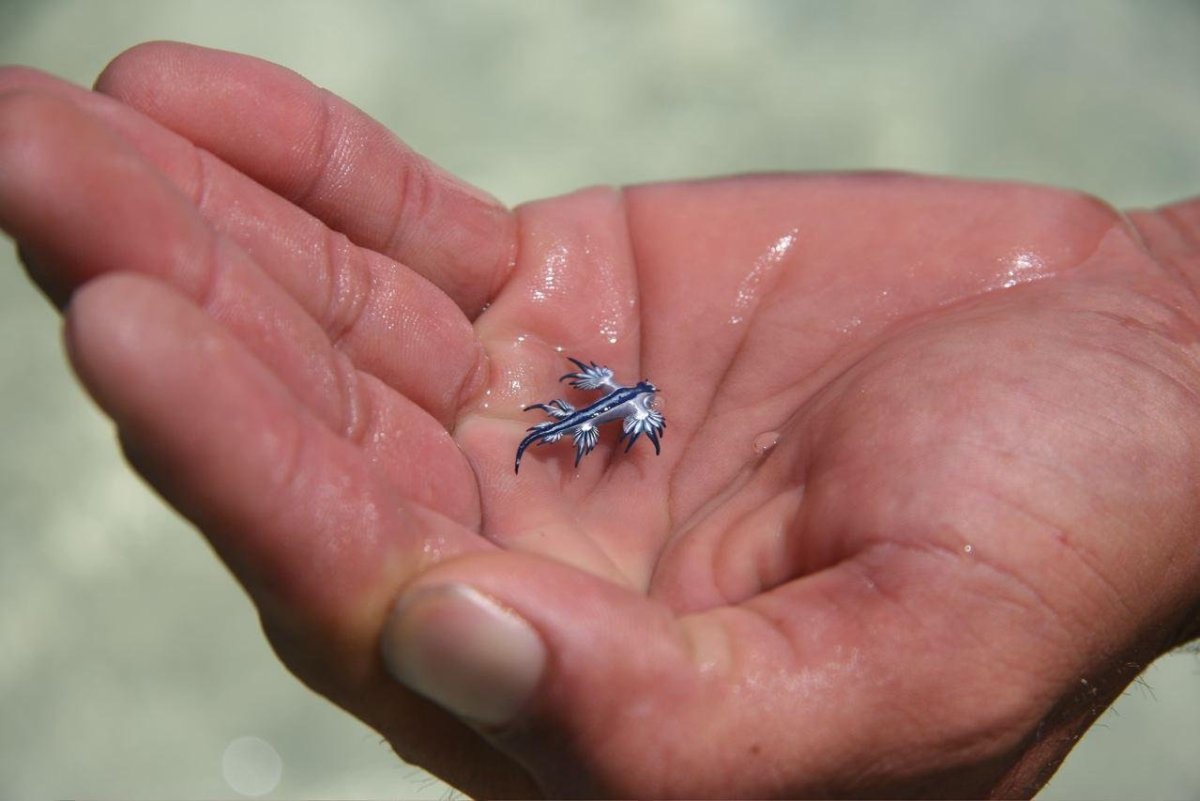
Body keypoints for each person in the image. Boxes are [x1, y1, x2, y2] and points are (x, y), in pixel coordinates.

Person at [1, 41, 1197, 799]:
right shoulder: (606, 404)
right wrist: (1165, 292)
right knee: (553, 427)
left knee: (558, 430)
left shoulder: (625, 412)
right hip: (594, 402)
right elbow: (603, 404)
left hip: (601, 406)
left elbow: (625, 417)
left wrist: (1167, 318)